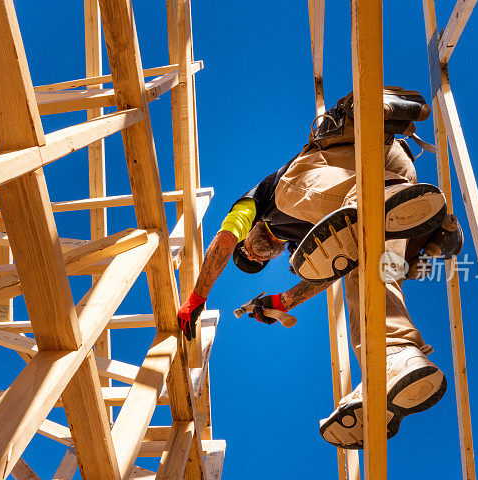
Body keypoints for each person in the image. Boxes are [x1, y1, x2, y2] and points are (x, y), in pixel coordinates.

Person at [177, 135, 463, 449]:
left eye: (246, 253)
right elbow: (330, 271)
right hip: (399, 195)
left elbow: (224, 240)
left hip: (367, 155)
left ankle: (378, 198)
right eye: (256, 262)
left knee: (288, 196)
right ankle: (395, 354)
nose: (253, 256)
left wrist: (197, 298)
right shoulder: (309, 242)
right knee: (358, 263)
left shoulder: (257, 204)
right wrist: (285, 300)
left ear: (248, 235)